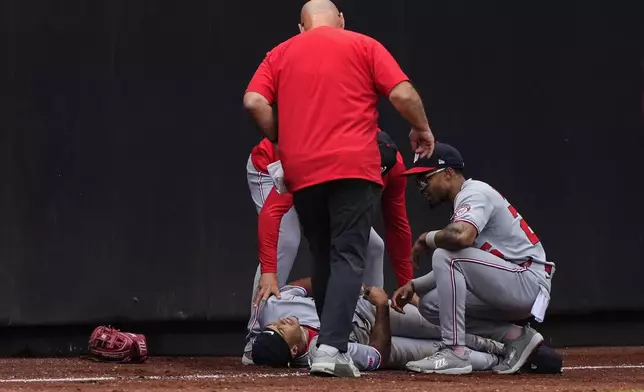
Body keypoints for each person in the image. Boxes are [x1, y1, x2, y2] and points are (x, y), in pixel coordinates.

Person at [243, 0, 435, 377]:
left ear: (301, 28)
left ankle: (332, 343)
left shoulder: (281, 52)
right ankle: (332, 347)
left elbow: (253, 101)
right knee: (348, 254)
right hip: (352, 167)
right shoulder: (363, 44)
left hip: (301, 169)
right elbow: (403, 94)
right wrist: (421, 128)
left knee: (323, 254)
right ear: (342, 21)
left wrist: (283, 138)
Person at [242, 130, 415, 365]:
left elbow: (397, 225)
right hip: (274, 165)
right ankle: (256, 336)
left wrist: (407, 282)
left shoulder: (394, 167)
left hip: (334, 175)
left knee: (373, 245)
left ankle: (368, 318)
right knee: (287, 236)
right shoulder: (323, 159)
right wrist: (269, 271)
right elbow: (272, 213)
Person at [392, 142, 556, 375]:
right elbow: (461, 262)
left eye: (425, 178)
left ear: (448, 173)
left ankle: (455, 352)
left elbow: (461, 238)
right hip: (510, 285)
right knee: (430, 306)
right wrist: (414, 286)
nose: (421, 187)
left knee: (444, 252)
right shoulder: (465, 201)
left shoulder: (474, 192)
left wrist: (425, 238)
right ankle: (516, 337)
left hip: (527, 281)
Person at [248, 277, 509, 375]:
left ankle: (506, 337)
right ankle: (498, 360)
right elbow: (377, 355)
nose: (281, 323)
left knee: (441, 324)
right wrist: (382, 305)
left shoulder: (273, 309)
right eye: (282, 330)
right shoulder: (320, 354)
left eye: (274, 325)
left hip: (364, 308)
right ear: (294, 351)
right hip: (376, 338)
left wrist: (348, 285)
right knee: (438, 349)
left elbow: (303, 285)